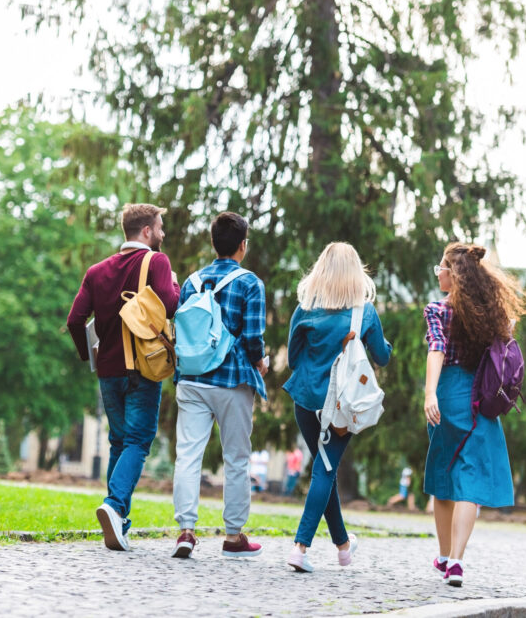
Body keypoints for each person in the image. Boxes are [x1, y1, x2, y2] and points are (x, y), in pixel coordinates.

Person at [67, 203, 180, 552]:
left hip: (108, 372)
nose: (162, 233)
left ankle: (119, 524)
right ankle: (114, 506)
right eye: (159, 227)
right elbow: (171, 305)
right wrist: (175, 286)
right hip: (142, 369)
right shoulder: (157, 262)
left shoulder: (96, 270)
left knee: (119, 441)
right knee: (137, 442)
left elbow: (74, 320)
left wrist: (91, 357)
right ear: (146, 231)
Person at [423, 243, 526, 587]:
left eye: (440, 268)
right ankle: (456, 560)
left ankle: (442, 554)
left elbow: (436, 351)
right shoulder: (492, 317)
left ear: (453, 275)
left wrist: (429, 393)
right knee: (470, 480)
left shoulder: (439, 310)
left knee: (443, 476)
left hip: (449, 395)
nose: (438, 273)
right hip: (482, 400)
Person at [283, 242, 392, 573]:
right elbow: (382, 357)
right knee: (324, 471)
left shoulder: (305, 309)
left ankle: (344, 547)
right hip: (341, 408)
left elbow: (291, 358)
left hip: (305, 401)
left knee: (323, 470)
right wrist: (381, 342)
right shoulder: (365, 312)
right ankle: (300, 549)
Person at [170, 212, 268, 559]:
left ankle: (185, 530)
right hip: (232, 380)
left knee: (188, 455)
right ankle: (233, 535)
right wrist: (261, 361)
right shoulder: (250, 283)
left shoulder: (191, 282)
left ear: (213, 243)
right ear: (242, 245)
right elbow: (254, 338)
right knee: (237, 459)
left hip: (192, 379)